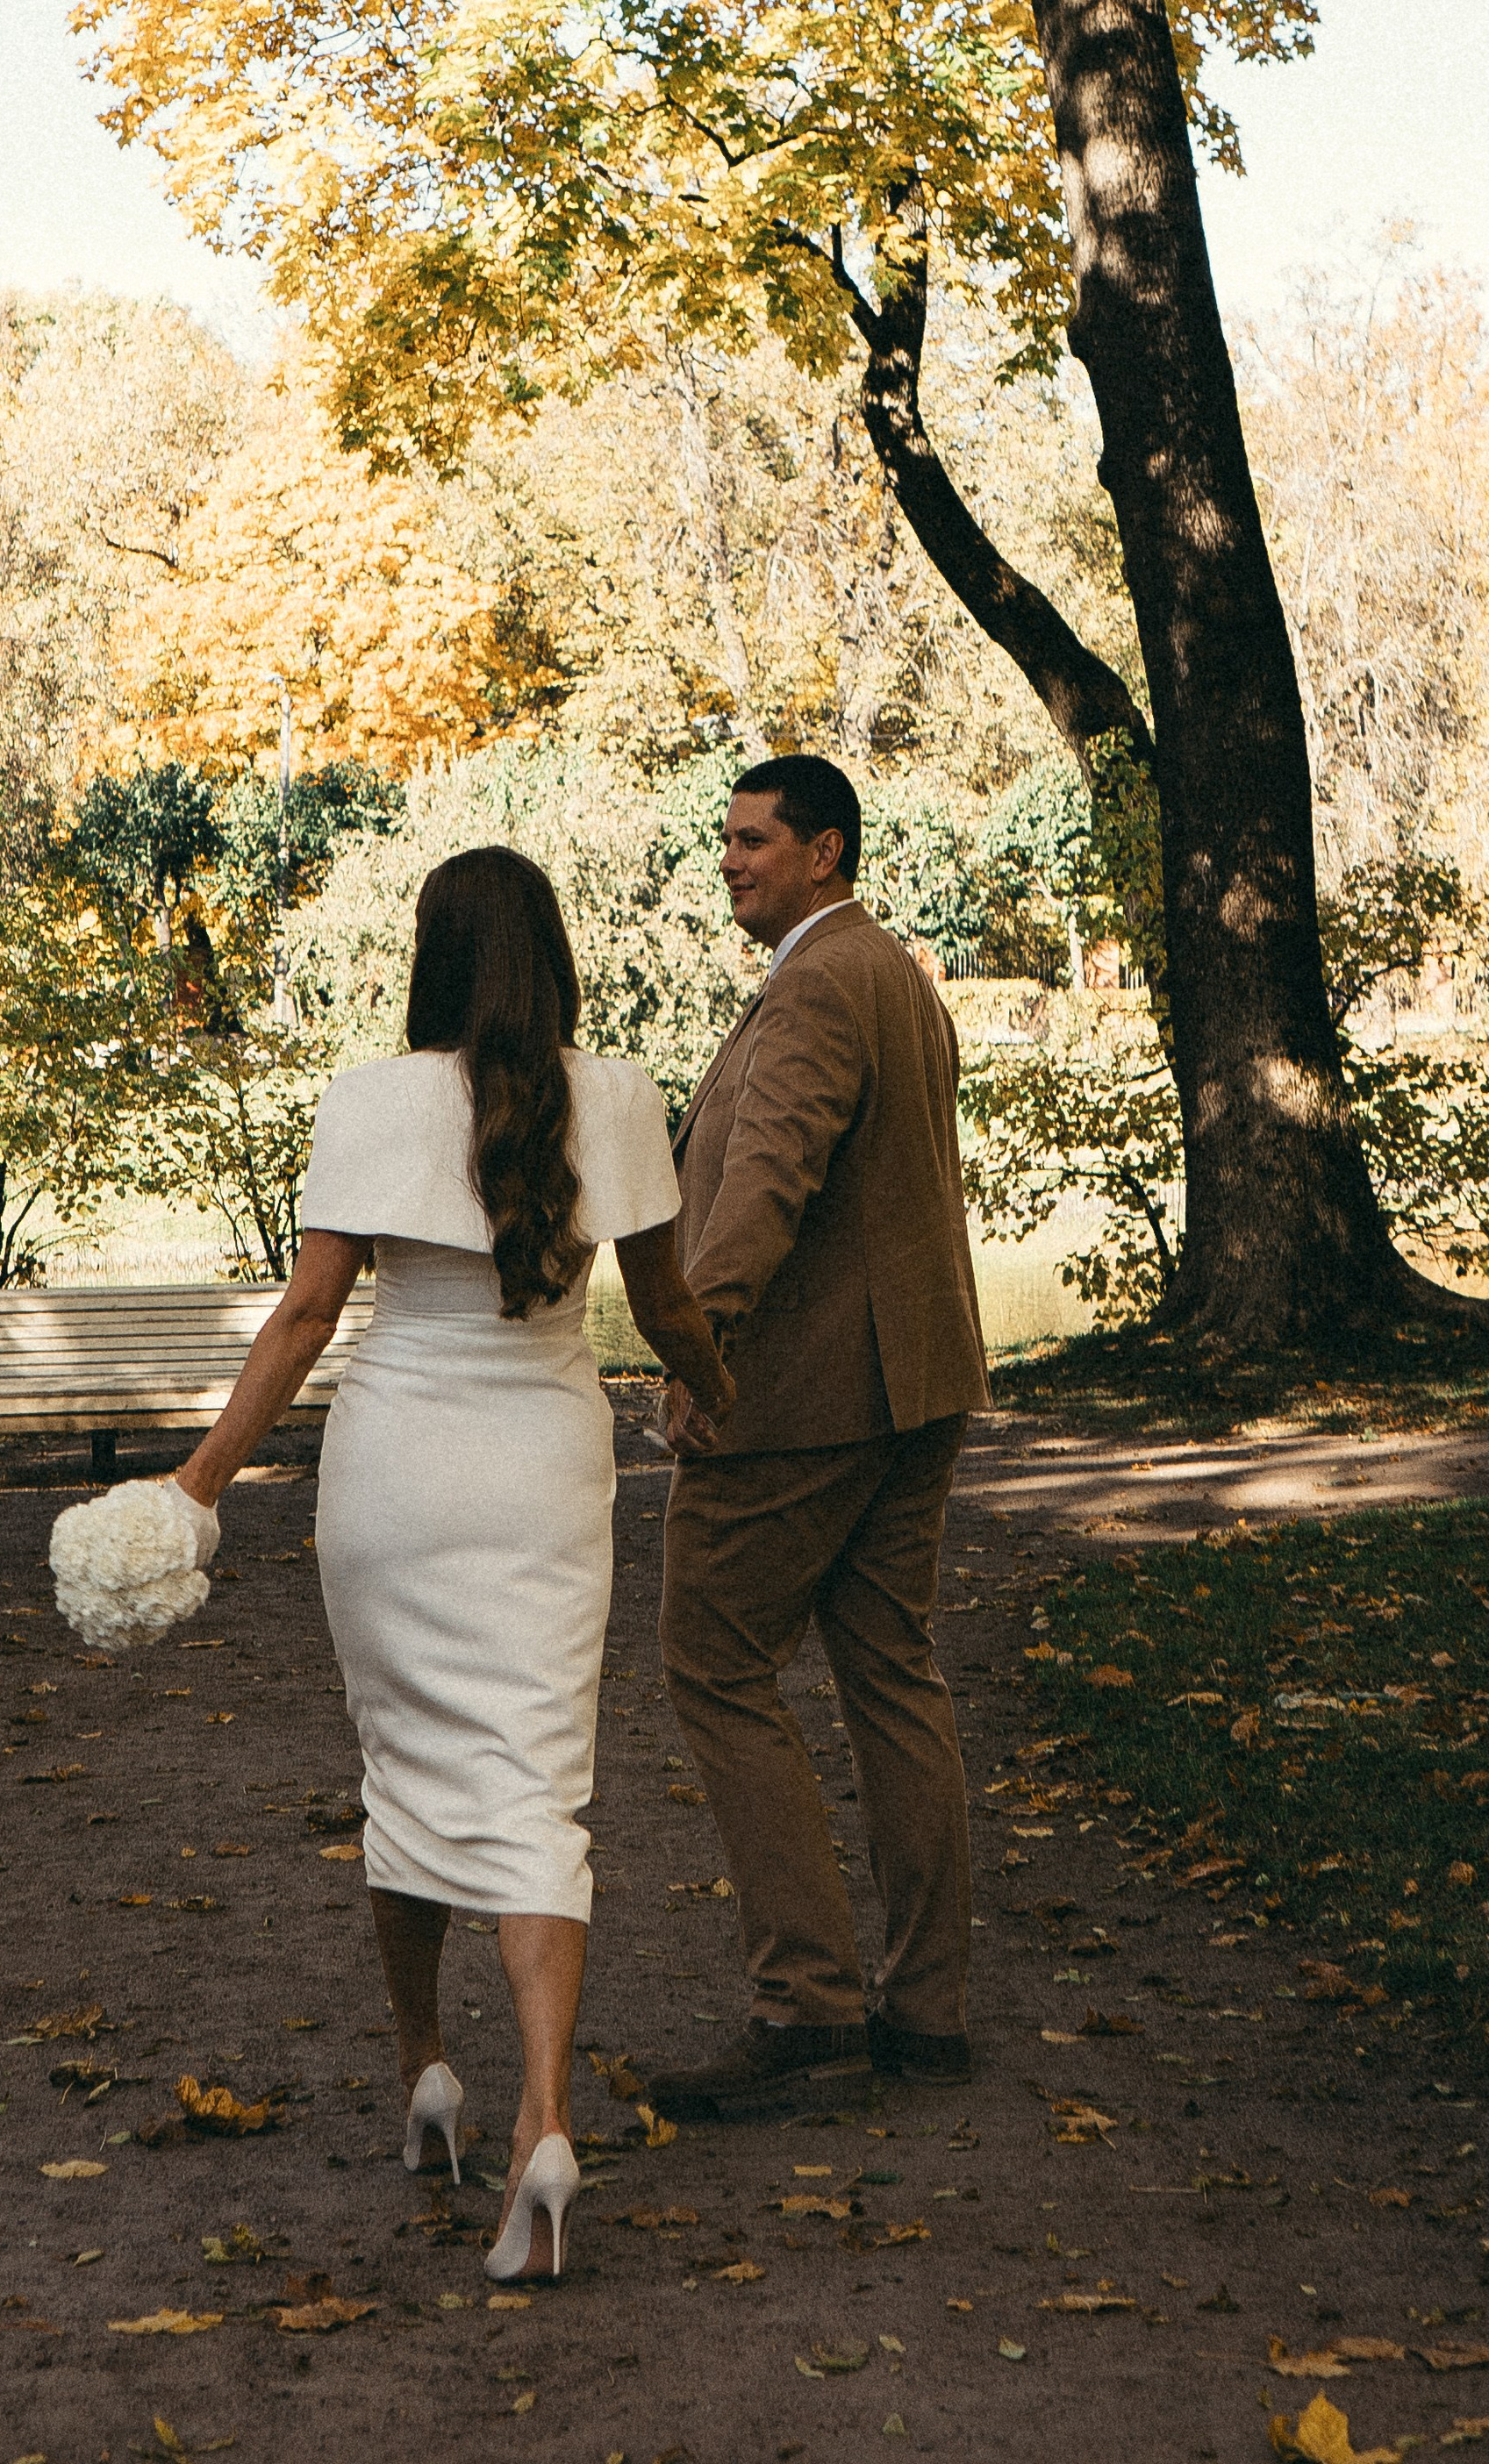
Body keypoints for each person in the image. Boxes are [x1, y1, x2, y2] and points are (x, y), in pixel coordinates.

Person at [172, 846, 734, 2280]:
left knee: (404, 1767)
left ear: (431, 956)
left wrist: (199, 1481)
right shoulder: (616, 1096)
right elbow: (666, 1302)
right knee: (538, 1783)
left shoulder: (371, 1100)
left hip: (395, 1475)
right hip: (547, 1468)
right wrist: (718, 1396)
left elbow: (305, 1317)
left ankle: (428, 2071)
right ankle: (546, 2121)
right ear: (551, 956)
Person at [645, 754, 989, 2123]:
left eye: (752, 840)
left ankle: (808, 2011)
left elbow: (764, 1188)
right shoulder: (892, 972)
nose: (729, 859)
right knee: (890, 1673)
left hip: (805, 1402)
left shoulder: (816, 985)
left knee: (713, 1660)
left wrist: (696, 1348)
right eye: (723, 838)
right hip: (916, 1381)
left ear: (825, 852)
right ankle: (927, 2012)